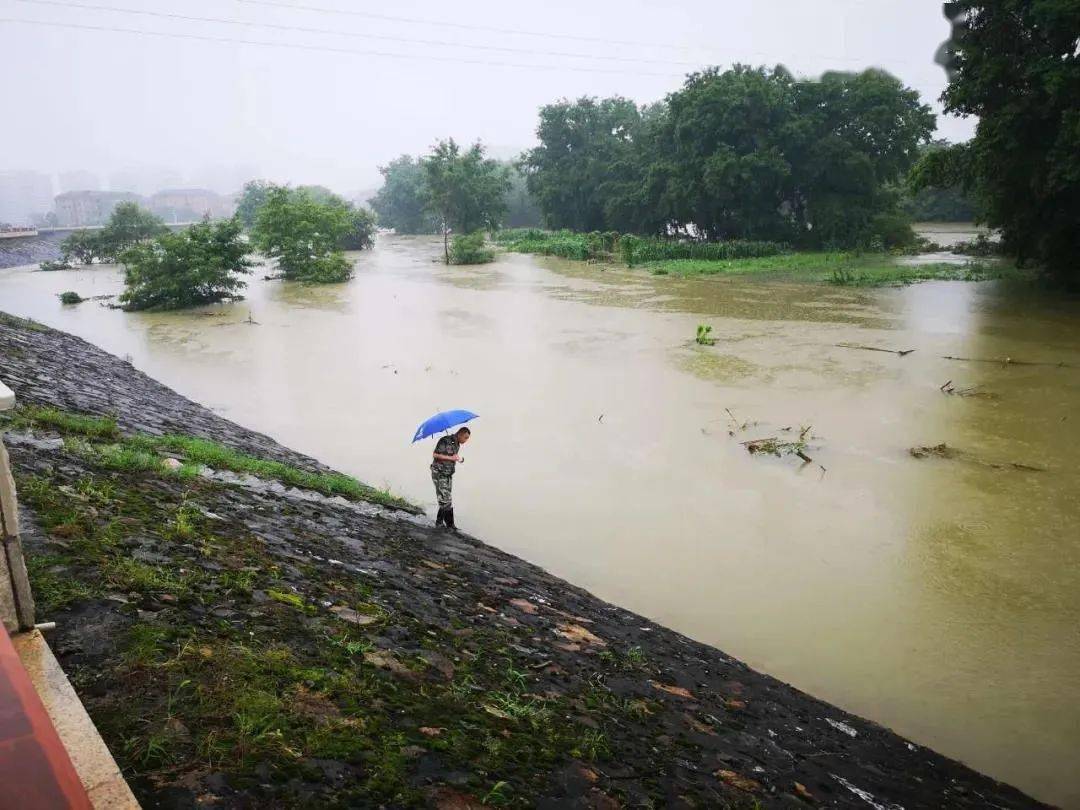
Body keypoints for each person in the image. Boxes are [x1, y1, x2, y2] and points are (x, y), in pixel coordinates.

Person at [431, 426, 470, 529]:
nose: (466, 441)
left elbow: (455, 457)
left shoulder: (457, 444)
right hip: (439, 472)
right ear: (460, 434)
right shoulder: (444, 440)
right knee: (445, 499)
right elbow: (435, 454)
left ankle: (450, 524)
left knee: (447, 499)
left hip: (448, 474)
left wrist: (460, 459)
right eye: (465, 437)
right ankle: (439, 523)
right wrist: (450, 457)